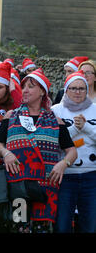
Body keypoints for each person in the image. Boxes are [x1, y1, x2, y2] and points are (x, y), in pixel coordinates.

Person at [0, 69, 77, 233]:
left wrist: (63, 164)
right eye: (23, 87)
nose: (24, 91)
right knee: (19, 227)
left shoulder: (55, 120)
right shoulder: (11, 116)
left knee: (42, 229)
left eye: (30, 87)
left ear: (42, 92)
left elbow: (72, 151)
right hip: (19, 185)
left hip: (46, 186)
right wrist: (6, 153)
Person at [51, 71, 96, 233]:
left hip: (91, 174)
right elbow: (53, 142)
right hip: (65, 176)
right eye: (74, 88)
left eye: (82, 89)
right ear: (66, 90)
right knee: (62, 225)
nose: (78, 92)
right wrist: (76, 129)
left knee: (90, 225)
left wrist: (87, 127)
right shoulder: (55, 111)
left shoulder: (95, 109)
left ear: (87, 89)